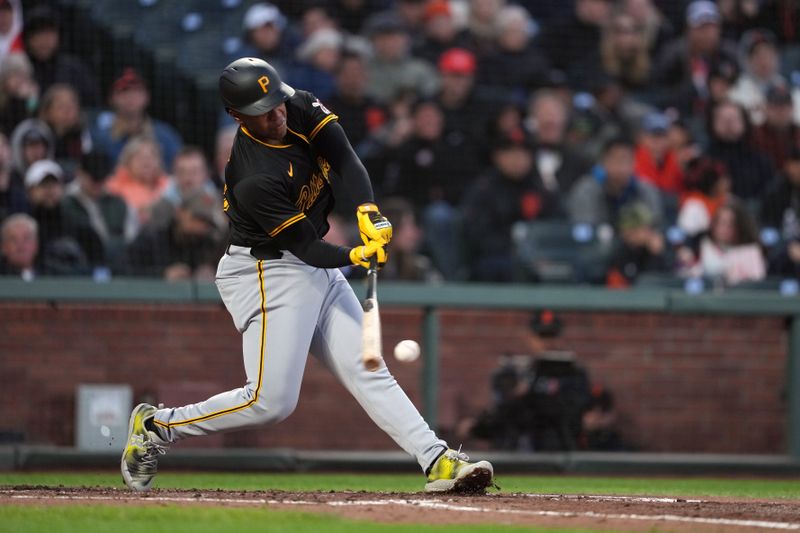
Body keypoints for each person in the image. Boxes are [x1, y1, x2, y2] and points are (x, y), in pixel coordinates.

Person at [120, 57, 494, 494]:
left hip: (309, 262)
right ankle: (156, 425)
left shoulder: (293, 103)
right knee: (270, 402)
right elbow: (307, 248)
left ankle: (436, 460)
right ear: (237, 116)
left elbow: (344, 156)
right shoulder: (251, 175)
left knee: (368, 367)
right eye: (264, 110)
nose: (277, 113)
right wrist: (355, 252)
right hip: (266, 269)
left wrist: (367, 211)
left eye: (276, 102)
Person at [91, 68, 183, 169]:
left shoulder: (165, 135)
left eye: (137, 90)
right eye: (124, 91)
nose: (131, 96)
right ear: (112, 98)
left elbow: (179, 172)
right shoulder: (99, 137)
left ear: (147, 97)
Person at [568, 136, 664, 230]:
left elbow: (656, 226)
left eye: (627, 161)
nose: (622, 168)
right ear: (603, 162)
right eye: (617, 160)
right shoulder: (586, 190)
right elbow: (584, 231)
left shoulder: (646, 190)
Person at [61, 151, 136, 270]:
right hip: (81, 266)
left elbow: (131, 239)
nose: (97, 183)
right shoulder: (65, 203)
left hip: (117, 266)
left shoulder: (119, 203)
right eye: (93, 178)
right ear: (80, 173)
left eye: (101, 178)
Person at [21, 6, 99, 106]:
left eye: (49, 33)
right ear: (28, 38)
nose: (44, 40)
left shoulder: (75, 70)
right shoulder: (19, 69)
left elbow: (93, 105)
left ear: (59, 36)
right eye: (38, 33)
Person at [678, 200, 766, 286]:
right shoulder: (700, 245)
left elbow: (756, 283)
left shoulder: (751, 252)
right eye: (720, 222)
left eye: (730, 225)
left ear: (740, 227)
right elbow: (685, 275)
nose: (724, 229)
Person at [105, 136, 172, 225]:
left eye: (152, 157)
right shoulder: (114, 188)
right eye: (140, 157)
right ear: (127, 162)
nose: (146, 162)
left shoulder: (170, 185)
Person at [0, 212, 38, 279]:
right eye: (13, 240)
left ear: (35, 244)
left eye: (26, 238)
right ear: (3, 247)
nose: (21, 245)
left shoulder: (54, 274)